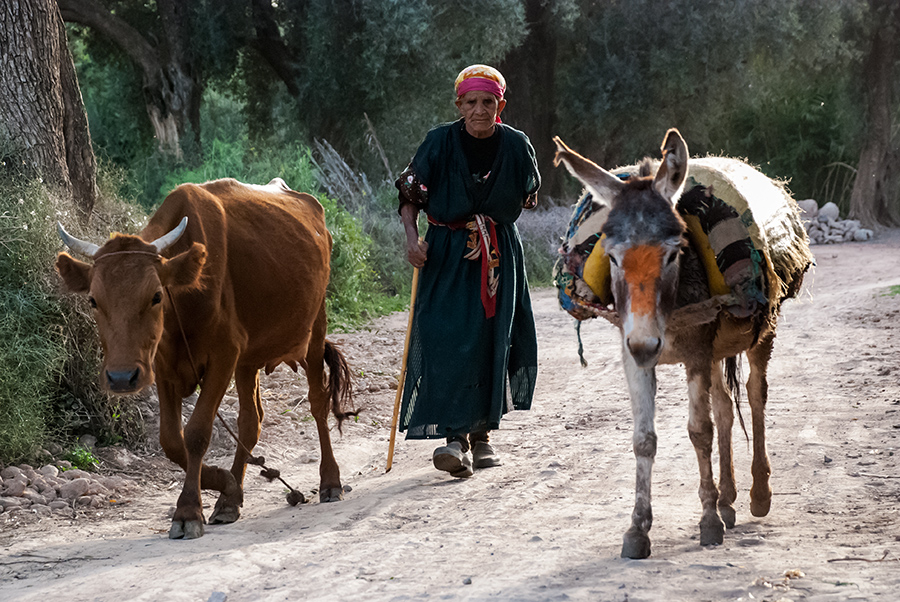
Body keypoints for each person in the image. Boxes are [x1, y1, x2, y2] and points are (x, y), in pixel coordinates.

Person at [395, 64, 540, 478]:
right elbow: (411, 195)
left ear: (501, 106)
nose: (480, 110)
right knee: (444, 336)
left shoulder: (516, 145)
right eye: (472, 102)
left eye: (488, 102)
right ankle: (453, 437)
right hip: (444, 251)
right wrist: (411, 239)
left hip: (498, 253)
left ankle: (479, 438)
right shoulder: (438, 142)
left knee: (490, 338)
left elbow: (527, 193)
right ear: (459, 104)